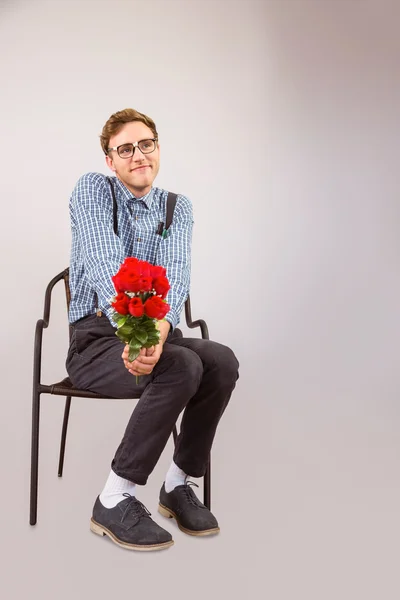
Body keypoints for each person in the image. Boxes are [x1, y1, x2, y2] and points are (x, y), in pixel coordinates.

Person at [66, 108, 239, 551]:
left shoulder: (177, 208)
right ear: (110, 159)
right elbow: (107, 265)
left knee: (220, 360)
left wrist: (157, 330)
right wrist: (137, 332)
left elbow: (177, 274)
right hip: (97, 341)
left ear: (157, 148)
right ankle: (113, 496)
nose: (138, 155)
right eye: (125, 148)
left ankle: (177, 485)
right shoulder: (93, 190)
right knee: (179, 364)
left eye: (146, 144)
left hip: (157, 331)